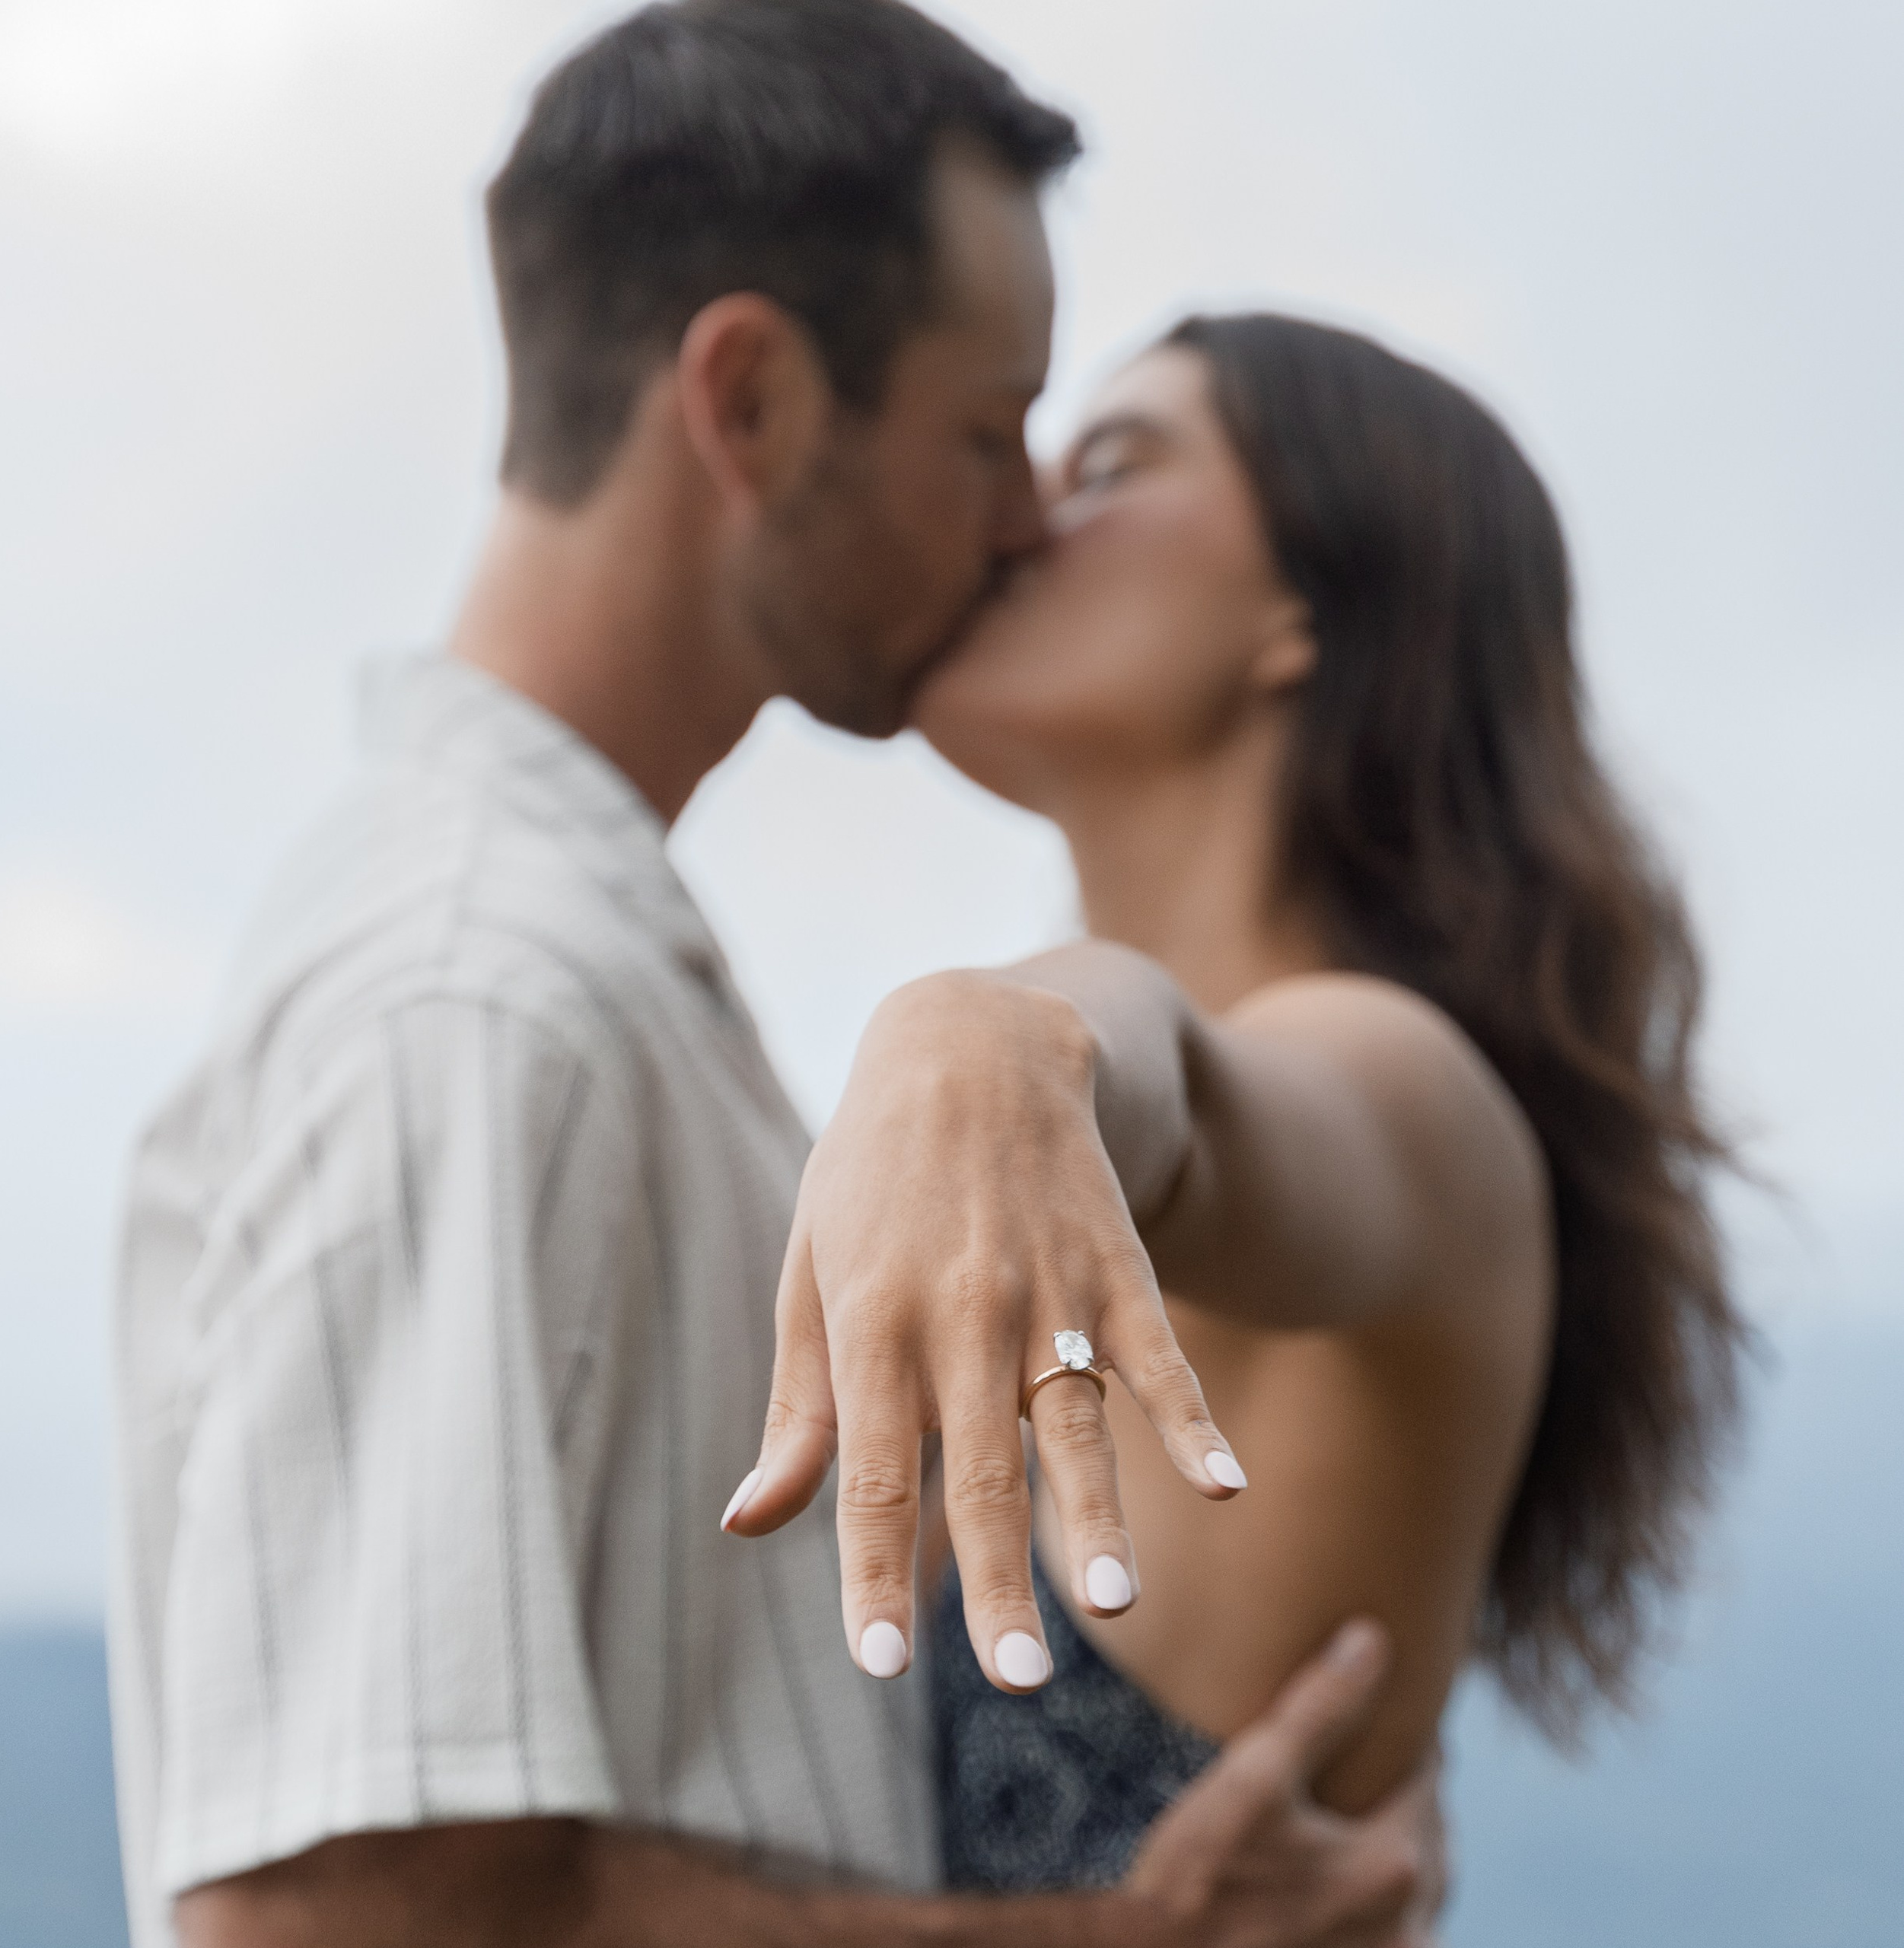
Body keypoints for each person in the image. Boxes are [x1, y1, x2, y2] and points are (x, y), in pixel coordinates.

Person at [110, 7, 1444, 1946]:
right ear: (746, 401)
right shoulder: (482, 994)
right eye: (985, 429)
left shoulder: (577, 969)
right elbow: (332, 1922)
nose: (1021, 515)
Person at [726, 314, 1746, 1890]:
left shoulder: (1408, 1094)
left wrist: (989, 1037)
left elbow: (1183, 1092)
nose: (1021, 515)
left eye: (1114, 462)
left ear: (1305, 610)